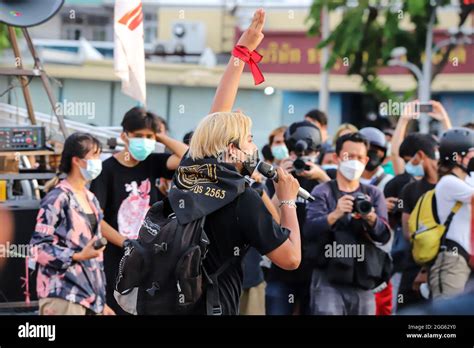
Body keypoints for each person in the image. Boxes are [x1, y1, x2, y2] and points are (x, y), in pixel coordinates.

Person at [167, 8, 302, 315]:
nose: (255, 145)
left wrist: (241, 54)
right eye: (250, 138)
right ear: (232, 149)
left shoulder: (192, 172)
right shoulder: (244, 199)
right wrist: (287, 202)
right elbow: (291, 258)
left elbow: (216, 119)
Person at [89, 107, 188, 314]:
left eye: (148, 137)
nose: (144, 141)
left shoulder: (152, 163)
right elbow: (97, 217)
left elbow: (189, 156)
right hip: (118, 261)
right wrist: (126, 243)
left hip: (152, 259)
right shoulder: (106, 170)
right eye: (138, 136)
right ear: (124, 135)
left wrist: (159, 136)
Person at [305, 132, 392, 315]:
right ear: (337, 158)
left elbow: (384, 235)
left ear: (366, 160)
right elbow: (309, 229)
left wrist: (371, 218)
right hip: (328, 276)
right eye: (349, 156)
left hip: (363, 278)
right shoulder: (323, 191)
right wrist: (335, 214)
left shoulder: (374, 194)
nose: (355, 161)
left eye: (359, 157)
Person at [30, 133, 114, 315]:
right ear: (77, 160)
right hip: (63, 294)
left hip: (90, 299)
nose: (98, 161)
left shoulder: (90, 198)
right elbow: (37, 249)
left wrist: (101, 303)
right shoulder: (57, 198)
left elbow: (95, 257)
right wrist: (77, 256)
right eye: (94, 155)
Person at [264, 120, 329, 315]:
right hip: (281, 269)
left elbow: (340, 205)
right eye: (295, 153)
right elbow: (269, 215)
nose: (301, 160)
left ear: (317, 153)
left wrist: (322, 176)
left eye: (307, 154)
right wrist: (280, 181)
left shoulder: (326, 179)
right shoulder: (275, 178)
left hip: (317, 268)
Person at [393, 133, 439, 311]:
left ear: (419, 156)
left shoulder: (451, 185)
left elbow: (409, 232)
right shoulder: (409, 189)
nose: (407, 166)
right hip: (415, 268)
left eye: (407, 160)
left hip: (442, 267)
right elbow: (407, 234)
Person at [429, 127, 474, 299]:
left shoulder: (466, 181)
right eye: (471, 154)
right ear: (457, 156)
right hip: (452, 259)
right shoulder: (448, 182)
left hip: (463, 258)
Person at [391, 100, 452, 175]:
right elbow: (395, 154)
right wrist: (403, 120)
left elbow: (453, 154)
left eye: (417, 159)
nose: (412, 164)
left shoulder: (441, 179)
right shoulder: (404, 179)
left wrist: (444, 120)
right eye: (407, 161)